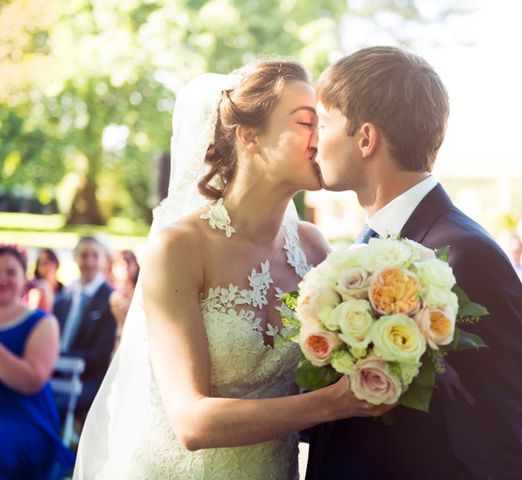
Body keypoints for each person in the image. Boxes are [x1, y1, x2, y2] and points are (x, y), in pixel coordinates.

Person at [74, 60, 391, 479]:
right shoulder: (181, 247)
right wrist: (334, 402)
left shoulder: (314, 248)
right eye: (305, 122)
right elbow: (190, 421)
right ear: (248, 135)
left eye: (323, 124)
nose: (321, 139)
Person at [306, 46, 522, 479]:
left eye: (322, 124)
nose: (313, 141)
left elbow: (502, 445)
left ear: (365, 138)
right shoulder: (364, 246)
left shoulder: (468, 258)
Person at [0, 244, 75, 478]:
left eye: (11, 272)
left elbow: (32, 380)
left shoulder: (41, 323)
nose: (1, 278)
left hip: (25, 419)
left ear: (24, 280)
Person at [53, 236, 116, 418]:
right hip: (55, 373)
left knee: (52, 407)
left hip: (88, 379)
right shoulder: (62, 299)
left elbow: (101, 355)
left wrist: (61, 356)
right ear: (75, 258)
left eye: (95, 256)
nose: (89, 262)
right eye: (84, 255)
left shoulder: (110, 300)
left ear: (104, 260)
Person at [108, 249, 140, 352]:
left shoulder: (139, 294)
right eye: (120, 264)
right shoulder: (113, 296)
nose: (125, 267)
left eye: (128, 262)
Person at [27, 248, 66, 313]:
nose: (47, 267)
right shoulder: (35, 289)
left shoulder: (64, 290)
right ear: (37, 267)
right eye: (43, 263)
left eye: (51, 262)